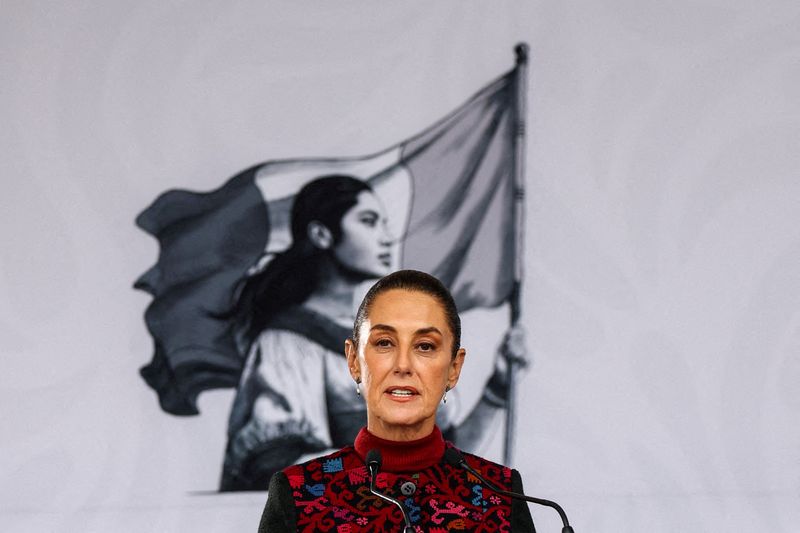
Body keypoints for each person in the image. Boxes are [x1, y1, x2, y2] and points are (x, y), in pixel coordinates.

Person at [222, 175, 523, 492]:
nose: (386, 238)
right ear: (322, 234)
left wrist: (497, 388)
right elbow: (282, 473)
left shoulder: (386, 340)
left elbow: (447, 474)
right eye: (368, 221)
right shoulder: (287, 343)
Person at [259, 270, 535, 532]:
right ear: (354, 361)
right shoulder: (298, 494)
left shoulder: (501, 494)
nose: (403, 365)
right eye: (384, 343)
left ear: (454, 368)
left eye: (425, 346)